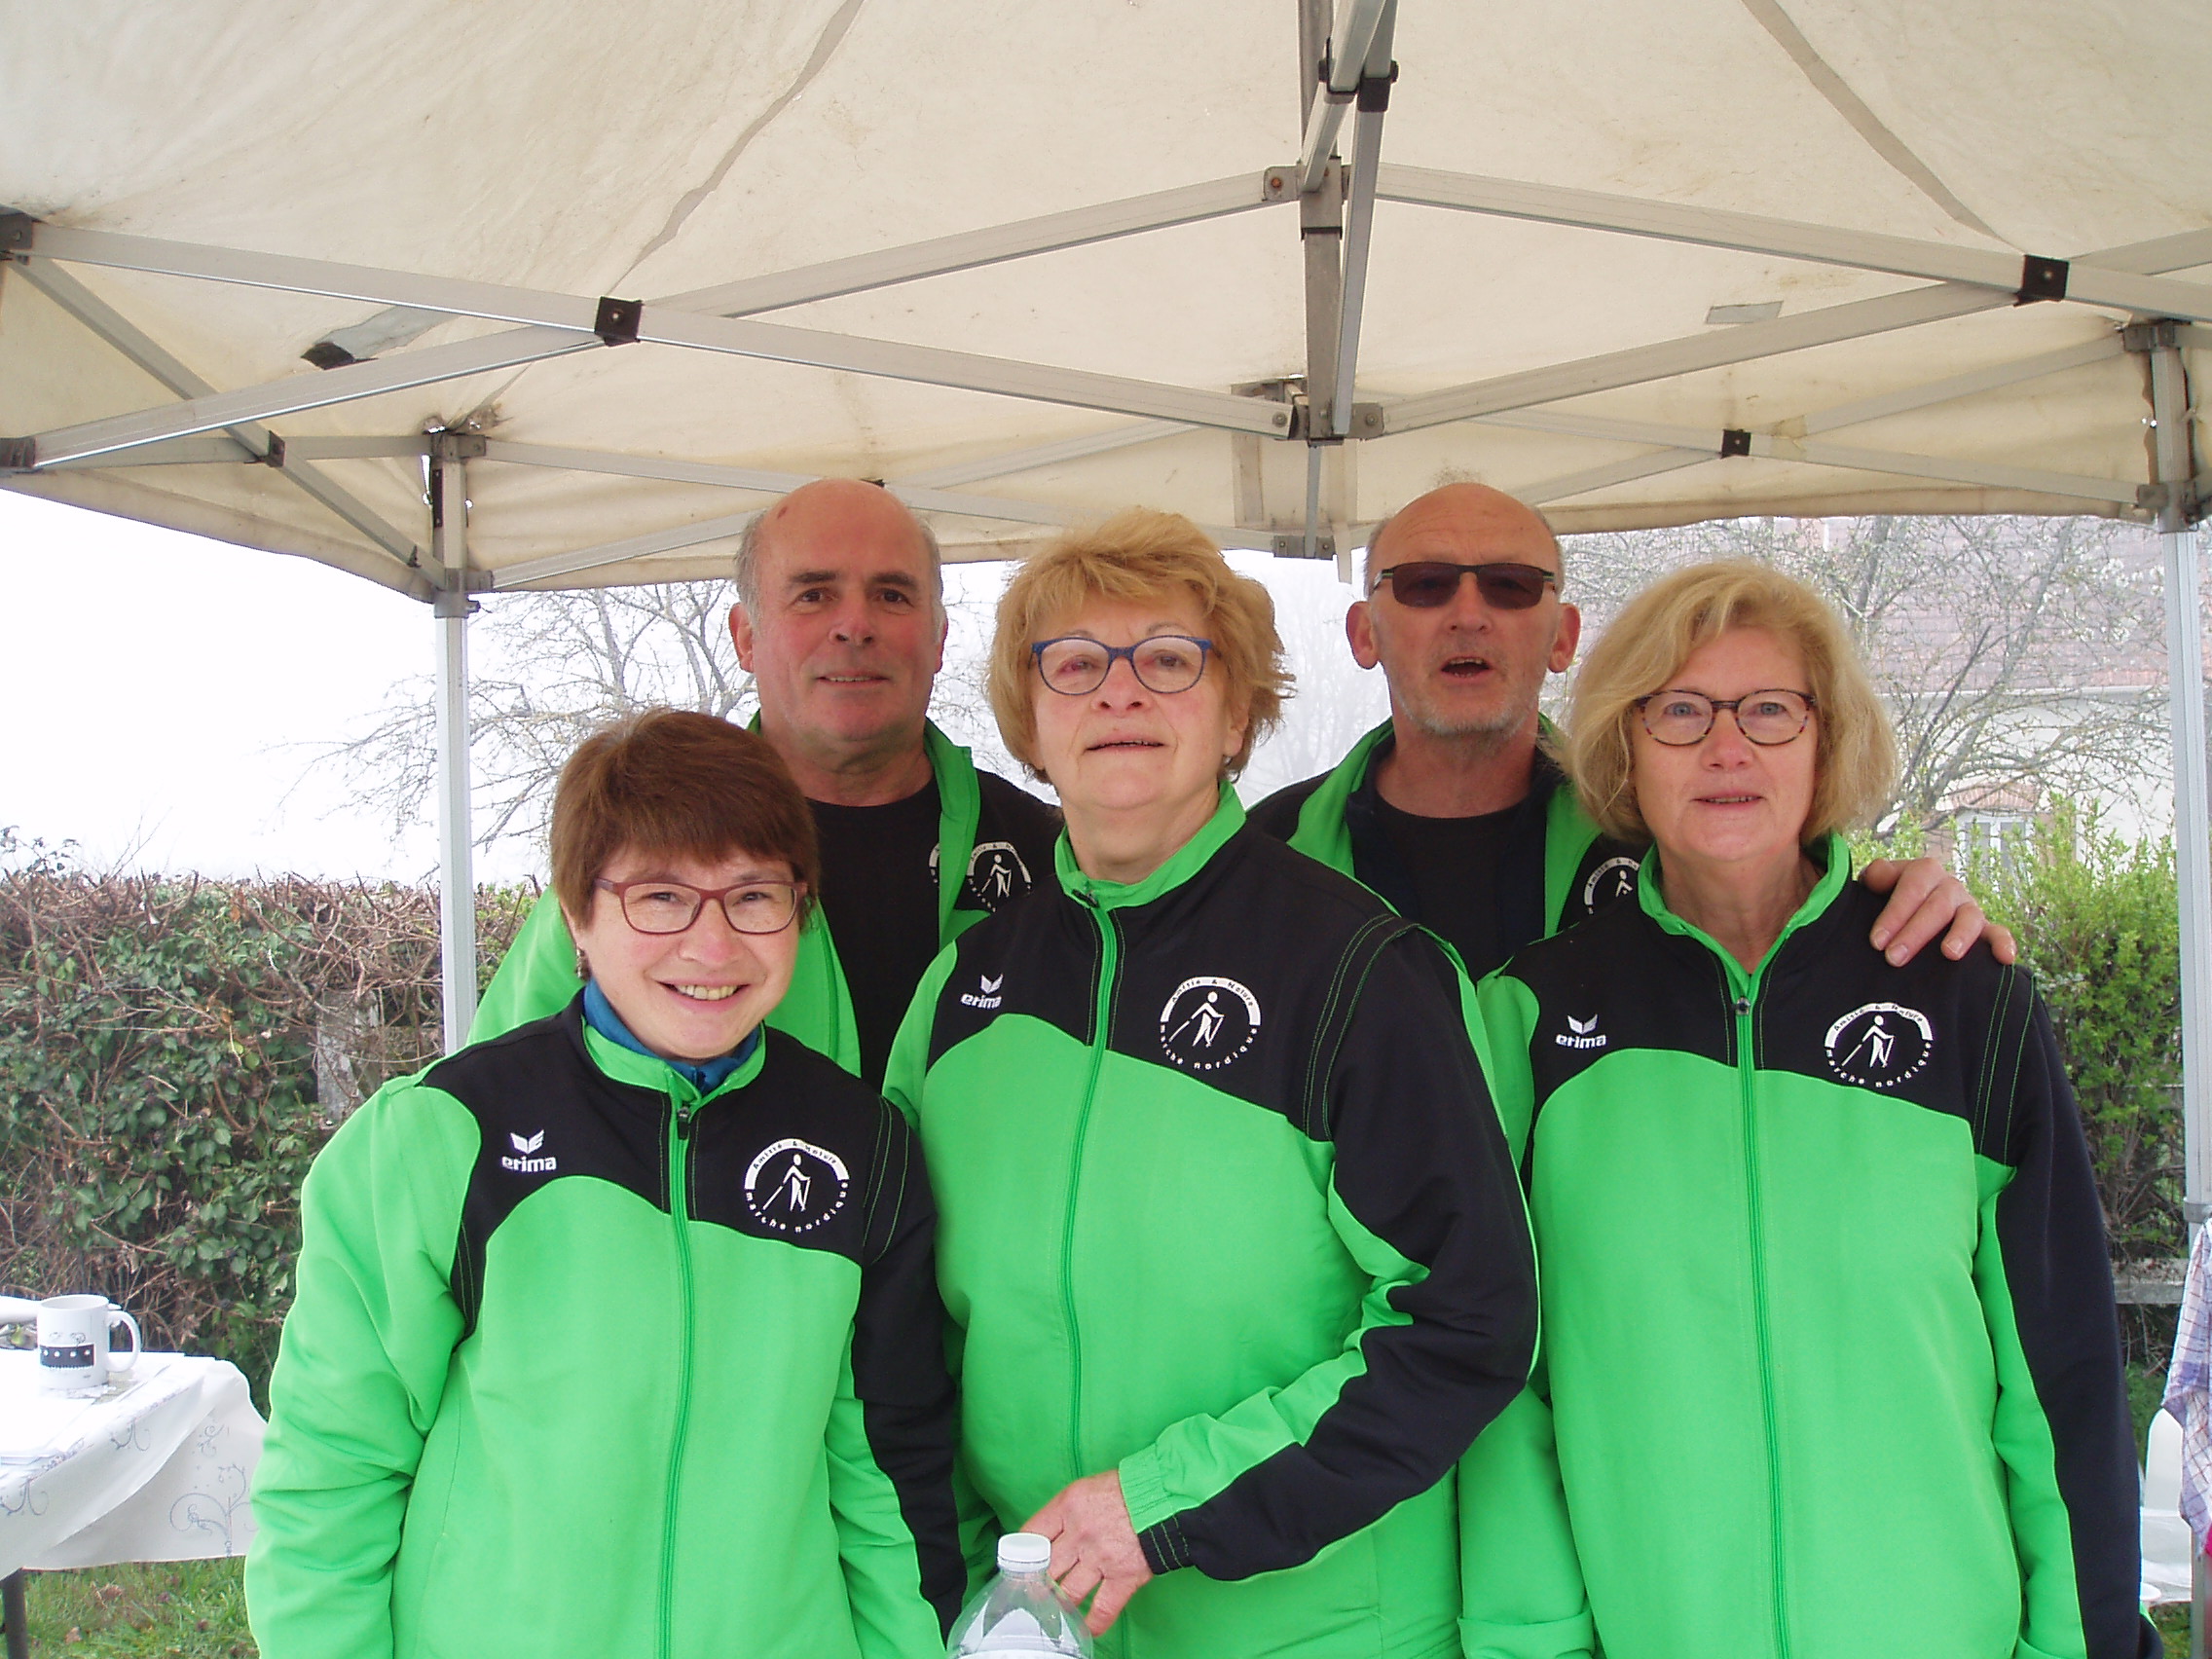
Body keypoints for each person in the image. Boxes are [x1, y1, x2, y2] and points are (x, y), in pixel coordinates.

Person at [884, 511, 1543, 1659]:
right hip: (1036, 1626)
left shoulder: (1357, 973)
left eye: (1170, 660)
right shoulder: (962, 991)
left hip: (1311, 1628)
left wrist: (1156, 1506)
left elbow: (1464, 1320)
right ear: (1028, 723)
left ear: (1237, 714)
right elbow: (901, 1333)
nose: (1120, 693)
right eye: (1076, 664)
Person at [1473, 563, 2154, 1659]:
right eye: (1680, 710)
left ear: (1824, 744)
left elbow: (2060, 1376)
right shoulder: (1532, 1018)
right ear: (1624, 747)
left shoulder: (1964, 995)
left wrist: (2084, 1643)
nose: (1725, 748)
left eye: (1769, 711)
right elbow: (1511, 1391)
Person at [247, 711, 966, 1659]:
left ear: (802, 906)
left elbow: (888, 1476)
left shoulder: (863, 1151)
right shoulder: (439, 1141)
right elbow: (331, 1477)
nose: (712, 946)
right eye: (661, 897)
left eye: (754, 895)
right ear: (578, 913)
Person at [1248, 481, 2008, 981]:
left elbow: (1793, 916)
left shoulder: (1664, 829)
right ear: (1363, 633)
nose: (1469, 614)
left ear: (1563, 637)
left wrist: (1906, 898)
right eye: (1425, 584)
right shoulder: (1266, 856)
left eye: (1512, 586)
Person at [472, 477, 1059, 1088]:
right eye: (813, 595)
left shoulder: (1043, 856)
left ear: (938, 637)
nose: (855, 625)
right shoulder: (641, 852)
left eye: (891, 595)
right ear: (745, 638)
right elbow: (494, 1103)